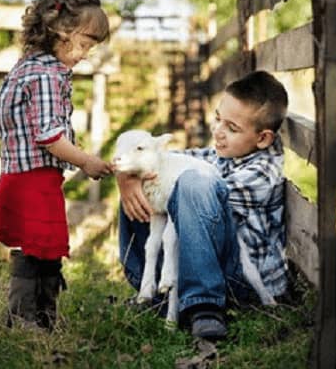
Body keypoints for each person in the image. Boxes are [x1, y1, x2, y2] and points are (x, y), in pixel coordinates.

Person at [117, 70, 289, 340]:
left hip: (241, 281)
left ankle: (204, 306)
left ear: (263, 138)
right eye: (218, 119)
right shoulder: (221, 155)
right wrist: (128, 175)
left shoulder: (262, 172)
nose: (218, 132)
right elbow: (160, 160)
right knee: (142, 180)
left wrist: (156, 177)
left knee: (192, 186)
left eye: (231, 128)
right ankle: (150, 290)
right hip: (216, 265)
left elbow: (197, 195)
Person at [0, 0, 113, 331]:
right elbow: (48, 135)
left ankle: (43, 316)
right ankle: (25, 316)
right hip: (33, 177)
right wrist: (86, 161)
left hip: (25, 173)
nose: (86, 53)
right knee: (36, 246)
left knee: (41, 245)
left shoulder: (29, 65)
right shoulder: (45, 75)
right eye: (84, 43)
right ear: (60, 31)